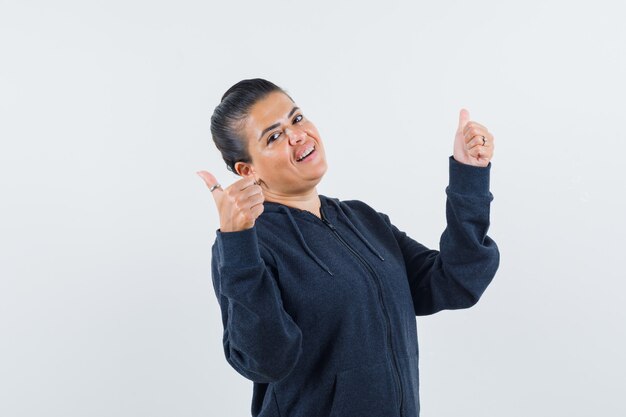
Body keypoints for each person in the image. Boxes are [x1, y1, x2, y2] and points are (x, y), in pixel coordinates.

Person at [197, 78, 500, 417]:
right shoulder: (249, 244)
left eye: (296, 119)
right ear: (247, 170)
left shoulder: (363, 220)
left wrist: (470, 176)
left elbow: (458, 281)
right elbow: (266, 360)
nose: (297, 135)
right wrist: (237, 242)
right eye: (274, 136)